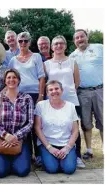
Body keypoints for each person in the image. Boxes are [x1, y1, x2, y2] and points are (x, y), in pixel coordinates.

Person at [44, 35, 85, 168]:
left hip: (71, 100)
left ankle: (77, 156)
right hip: (53, 101)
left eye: (61, 43)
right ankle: (48, 153)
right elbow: (45, 83)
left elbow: (77, 82)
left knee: (74, 128)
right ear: (52, 47)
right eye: (55, 44)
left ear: (65, 46)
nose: (58, 46)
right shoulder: (47, 64)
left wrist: (68, 93)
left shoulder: (72, 62)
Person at [8, 31, 45, 166]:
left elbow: (41, 77)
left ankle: (39, 155)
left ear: (30, 42)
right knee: (23, 125)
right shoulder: (12, 60)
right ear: (17, 43)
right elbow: (10, 79)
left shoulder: (36, 56)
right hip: (19, 96)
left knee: (36, 125)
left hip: (35, 94)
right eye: (20, 41)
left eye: (26, 41)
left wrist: (41, 96)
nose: (23, 43)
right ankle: (27, 155)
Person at [0, 68, 34, 178]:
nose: (11, 80)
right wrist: (6, 135)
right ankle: (6, 161)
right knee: (0, 172)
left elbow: (30, 122)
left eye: (14, 77)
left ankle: (14, 160)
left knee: (22, 171)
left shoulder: (26, 98)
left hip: (20, 140)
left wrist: (15, 136)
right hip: (0, 139)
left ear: (18, 80)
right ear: (5, 81)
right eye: (9, 77)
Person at [69, 29, 103, 159]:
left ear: (87, 37)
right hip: (82, 92)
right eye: (77, 38)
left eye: (81, 36)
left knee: (102, 121)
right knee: (86, 123)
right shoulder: (72, 56)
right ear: (74, 41)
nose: (79, 39)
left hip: (100, 90)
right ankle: (89, 150)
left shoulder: (99, 48)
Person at [34, 80, 79, 174]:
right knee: (52, 169)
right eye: (50, 90)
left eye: (56, 88)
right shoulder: (41, 105)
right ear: (47, 93)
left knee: (69, 170)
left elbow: (75, 131)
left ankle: (64, 159)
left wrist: (67, 148)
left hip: (66, 143)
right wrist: (49, 147)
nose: (54, 91)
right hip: (47, 143)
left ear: (62, 90)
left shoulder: (70, 106)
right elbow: (37, 128)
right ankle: (45, 158)